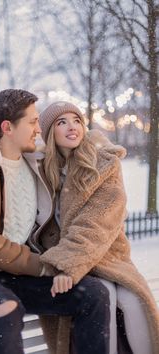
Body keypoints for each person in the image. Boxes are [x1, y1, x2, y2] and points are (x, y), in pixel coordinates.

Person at [0, 89, 111, 354]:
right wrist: (41, 266)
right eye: (32, 122)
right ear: (8, 127)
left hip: (17, 276)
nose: (39, 129)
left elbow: (76, 156)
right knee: (7, 310)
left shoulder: (36, 165)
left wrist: (100, 148)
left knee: (93, 294)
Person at [35, 100, 159, 354]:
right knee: (102, 297)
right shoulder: (41, 173)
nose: (72, 127)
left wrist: (68, 264)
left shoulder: (104, 164)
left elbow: (97, 222)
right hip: (67, 259)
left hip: (107, 256)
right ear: (49, 133)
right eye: (62, 122)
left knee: (133, 301)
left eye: (77, 120)